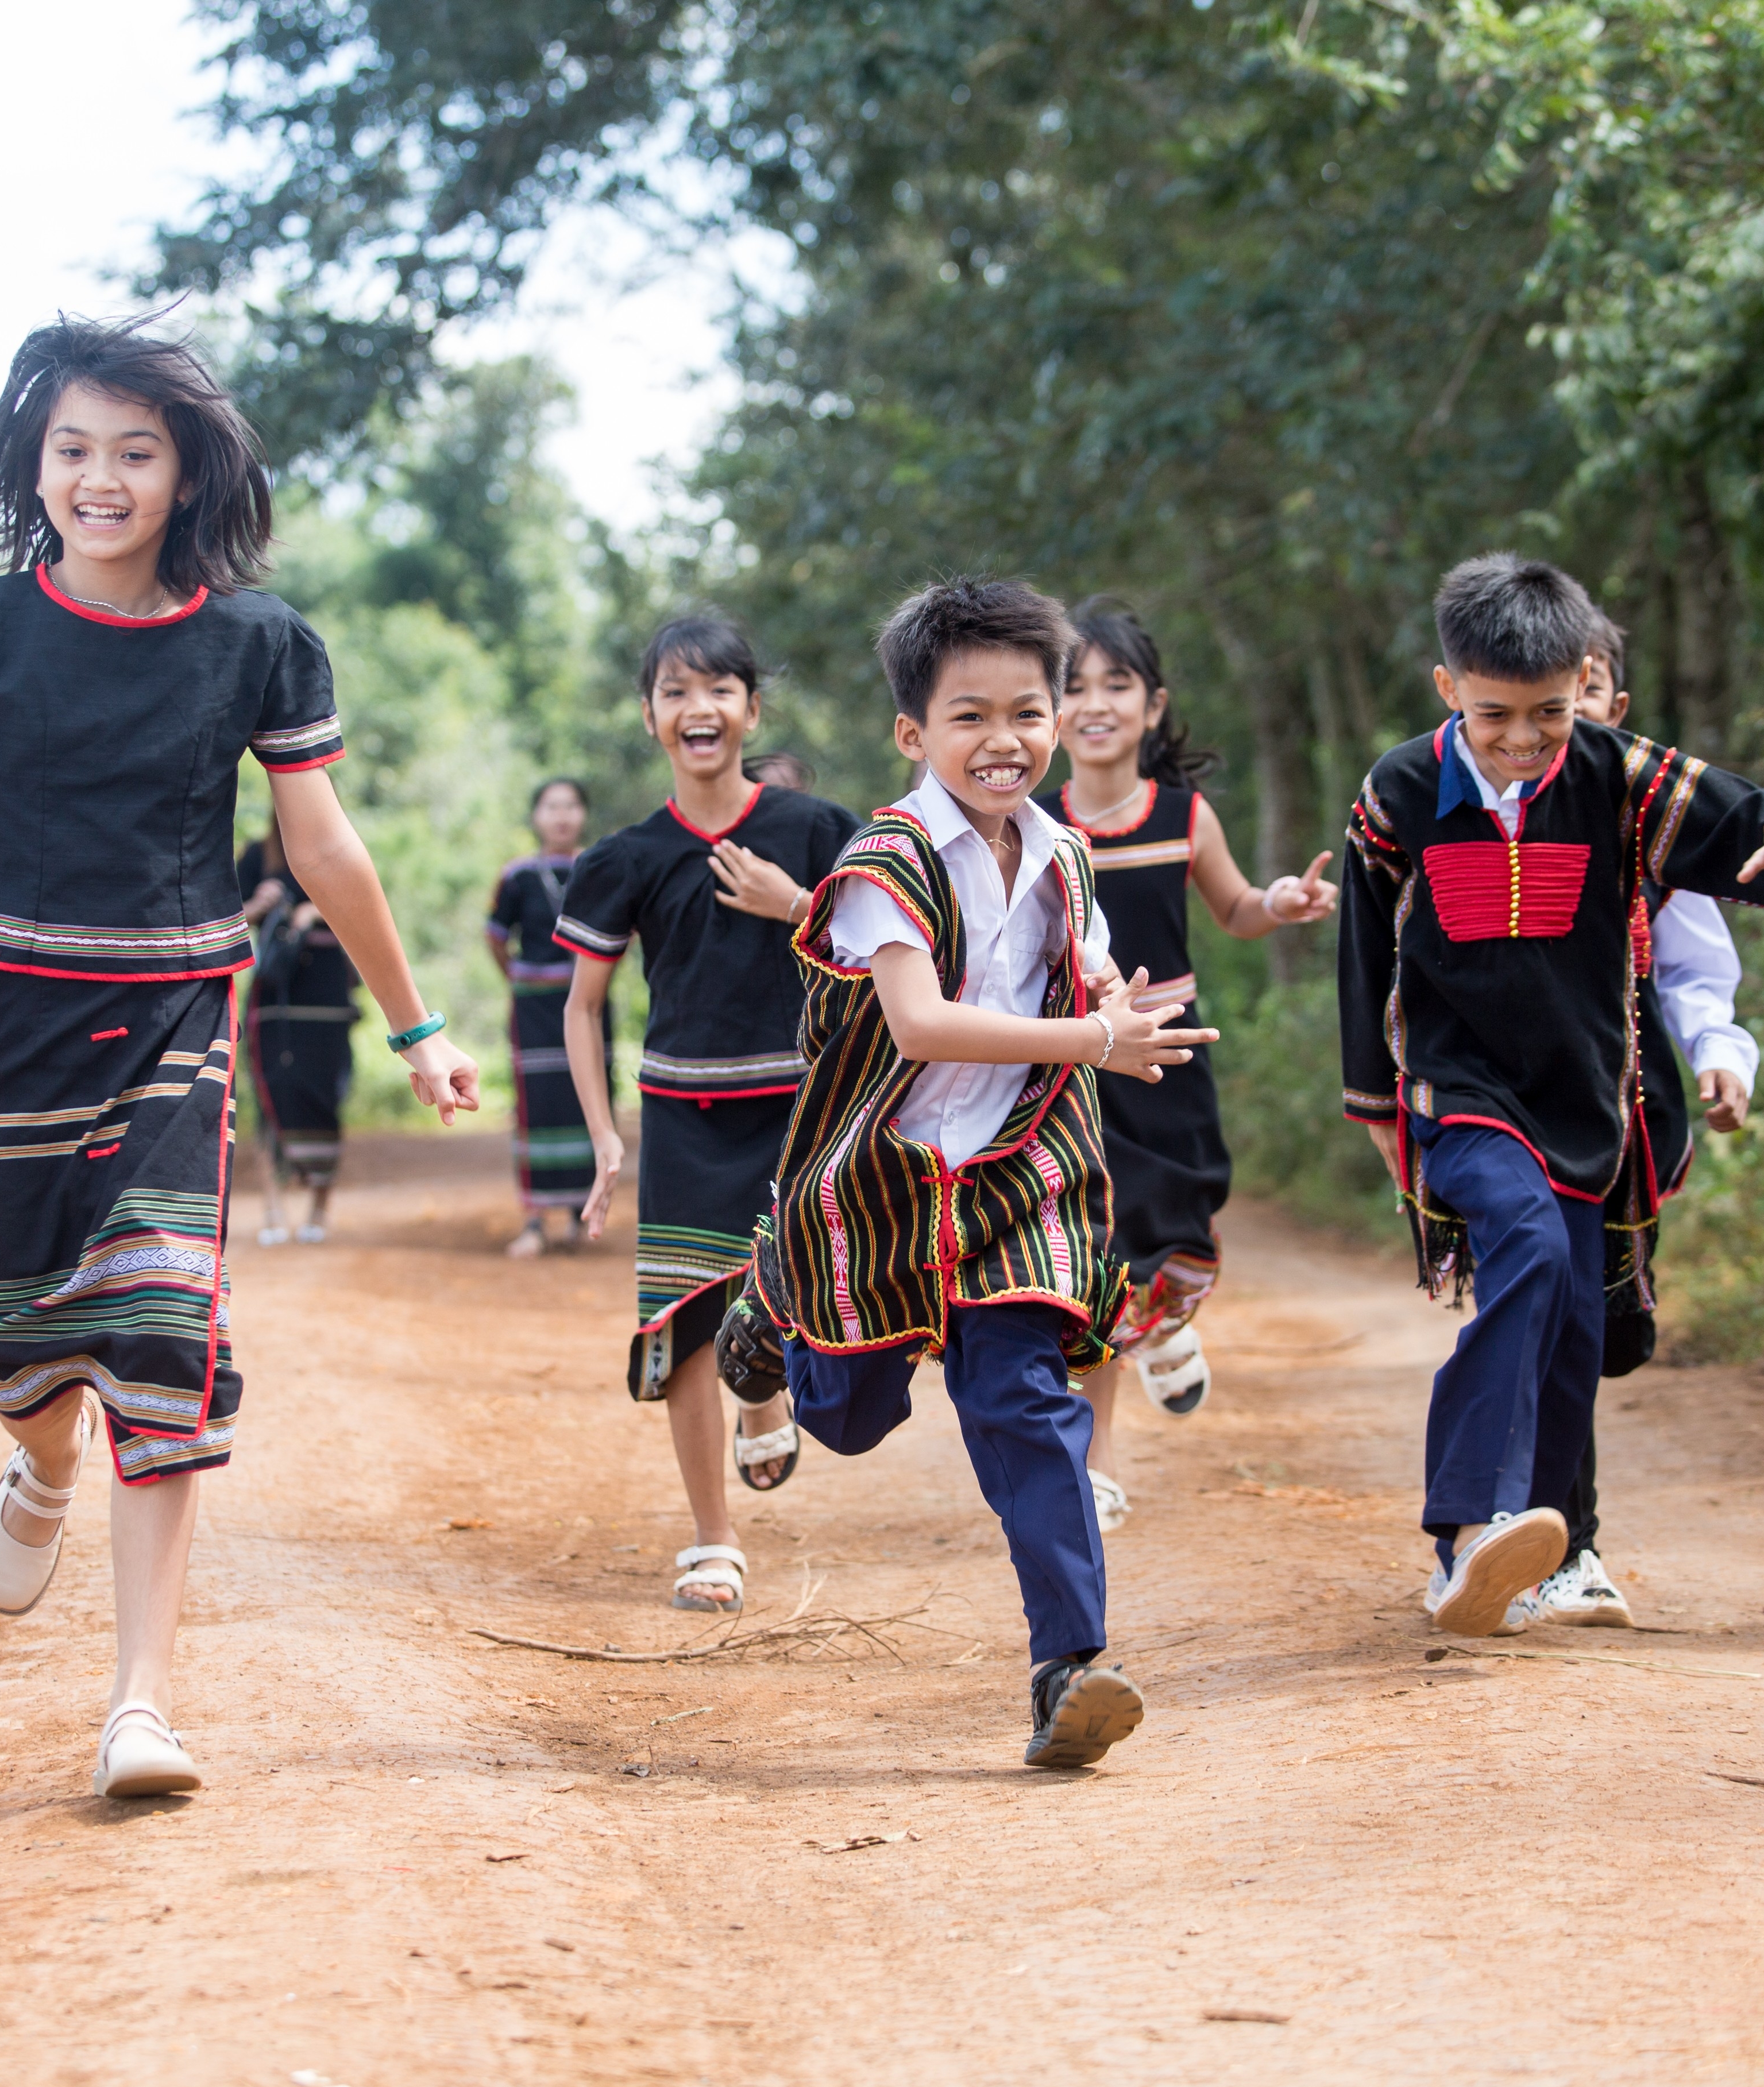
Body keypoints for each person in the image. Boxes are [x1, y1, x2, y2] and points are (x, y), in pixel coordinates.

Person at [0, 314, 477, 1798]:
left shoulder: (261, 645)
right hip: (13, 1018)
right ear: (35, 466)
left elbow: (321, 842)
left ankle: (140, 1705)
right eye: (74, 450)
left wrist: (414, 1024)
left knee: (165, 1332)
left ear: (187, 472)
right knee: (23, 1339)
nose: (102, 479)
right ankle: (39, 1460)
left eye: (134, 453)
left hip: (177, 1014)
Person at [717, 575, 1210, 1767]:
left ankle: (1070, 1667)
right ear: (914, 735)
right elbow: (922, 1024)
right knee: (847, 1416)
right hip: (875, 1187)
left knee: (1027, 1409)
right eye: (971, 717)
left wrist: (1109, 1001)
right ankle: (770, 1316)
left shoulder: (1062, 856)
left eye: (1028, 714)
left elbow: (1084, 969)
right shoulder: (885, 862)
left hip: (1009, 1188)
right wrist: (1098, 1041)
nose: (1006, 743)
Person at [1337, 554, 1764, 1637]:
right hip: (1460, 1085)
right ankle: (1467, 1532)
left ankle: (1551, 1544)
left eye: (1550, 716)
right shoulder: (1397, 792)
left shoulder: (1622, 777)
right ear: (1448, 691)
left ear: (1588, 683)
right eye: (1495, 718)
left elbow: (1742, 820)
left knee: (1572, 1308)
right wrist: (1376, 1106)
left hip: (1586, 1101)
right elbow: (1361, 957)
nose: (1523, 743)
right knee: (1521, 1240)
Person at [558, 614, 858, 1616]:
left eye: (720, 690)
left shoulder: (818, 833)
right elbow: (584, 1004)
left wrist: (795, 906)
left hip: (801, 1112)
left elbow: (890, 951)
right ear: (651, 718)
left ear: (752, 710)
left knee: (791, 1294)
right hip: (681, 1115)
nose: (701, 710)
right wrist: (605, 1135)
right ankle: (713, 1540)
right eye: (678, 693)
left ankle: (764, 1386)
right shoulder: (626, 858)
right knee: (683, 1324)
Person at [1051, 598, 1337, 1531]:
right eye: (1074, 686)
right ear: (1049, 710)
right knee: (1086, 1261)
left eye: (1116, 684)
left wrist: (1282, 902)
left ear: (1153, 703)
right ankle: (1093, 1466)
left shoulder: (1184, 817)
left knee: (1177, 1232)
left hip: (1171, 1062)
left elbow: (1237, 909)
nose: (1095, 704)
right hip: (1074, 1068)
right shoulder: (1032, 825)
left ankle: (1168, 1322)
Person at [1528, 616, 1762, 1630]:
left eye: (1580, 695)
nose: (1558, 719)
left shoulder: (1647, 831)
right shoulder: (1469, 823)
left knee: (1600, 1332)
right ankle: (1553, 1540)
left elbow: (1698, 972)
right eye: (1532, 697)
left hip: (1622, 1125)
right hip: (1504, 1116)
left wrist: (1719, 1054)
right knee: (1541, 1308)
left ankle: (1536, 1529)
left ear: (1615, 715)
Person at [486, 777, 603, 1255]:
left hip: (591, 1004)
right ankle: (534, 1219)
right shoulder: (517, 876)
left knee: (588, 1097)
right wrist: (517, 975)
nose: (561, 816)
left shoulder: (600, 867)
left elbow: (624, 930)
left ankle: (583, 1214)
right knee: (536, 1104)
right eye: (551, 807)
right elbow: (496, 934)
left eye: (571, 806)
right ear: (536, 817)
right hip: (534, 1007)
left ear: (583, 815)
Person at [237, 821, 357, 1245]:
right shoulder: (258, 855)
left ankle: (319, 1207)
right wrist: (258, 904)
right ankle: (272, 1209)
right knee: (273, 1098)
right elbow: (225, 918)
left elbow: (369, 915)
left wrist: (320, 911)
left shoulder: (346, 852)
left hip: (328, 999)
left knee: (324, 1097)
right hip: (275, 997)